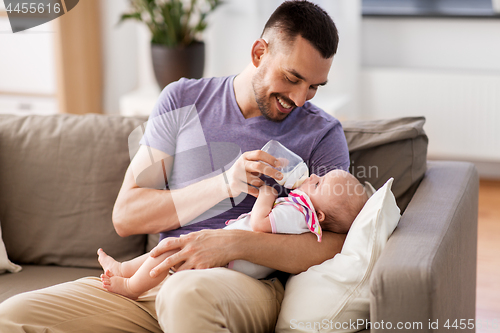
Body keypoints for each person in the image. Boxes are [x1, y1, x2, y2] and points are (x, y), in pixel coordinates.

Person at [0, 1, 351, 332]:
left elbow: (337, 244)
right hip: (153, 280)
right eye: (292, 78)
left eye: (314, 87)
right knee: (13, 316)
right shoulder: (182, 99)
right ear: (259, 53)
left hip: (241, 285)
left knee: (184, 295)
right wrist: (224, 185)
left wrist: (233, 244)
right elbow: (127, 215)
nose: (301, 99)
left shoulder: (322, 133)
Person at [97, 170, 368, 300]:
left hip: (230, 262)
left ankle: (132, 287)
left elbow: (261, 224)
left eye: (318, 183)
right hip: (229, 261)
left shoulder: (300, 214)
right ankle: (124, 268)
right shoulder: (304, 216)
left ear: (319, 215)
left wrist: (267, 193)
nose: (311, 177)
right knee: (169, 251)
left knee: (169, 251)